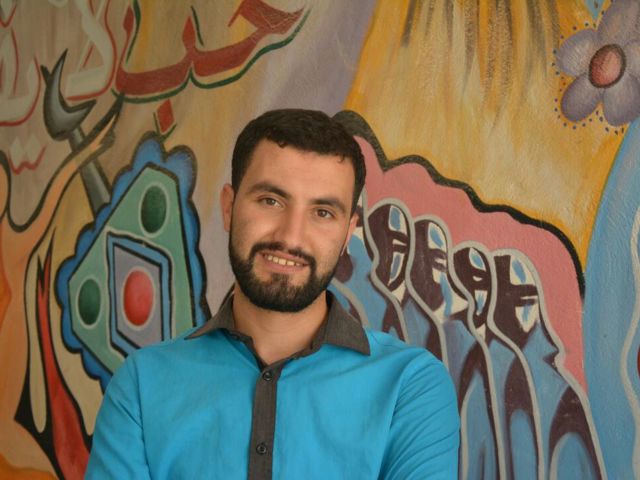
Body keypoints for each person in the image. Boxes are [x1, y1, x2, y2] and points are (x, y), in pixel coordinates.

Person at [86, 109, 460, 479]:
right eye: (271, 201)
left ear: (348, 233)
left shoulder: (410, 386)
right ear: (229, 207)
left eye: (322, 212)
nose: (291, 237)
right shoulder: (142, 385)